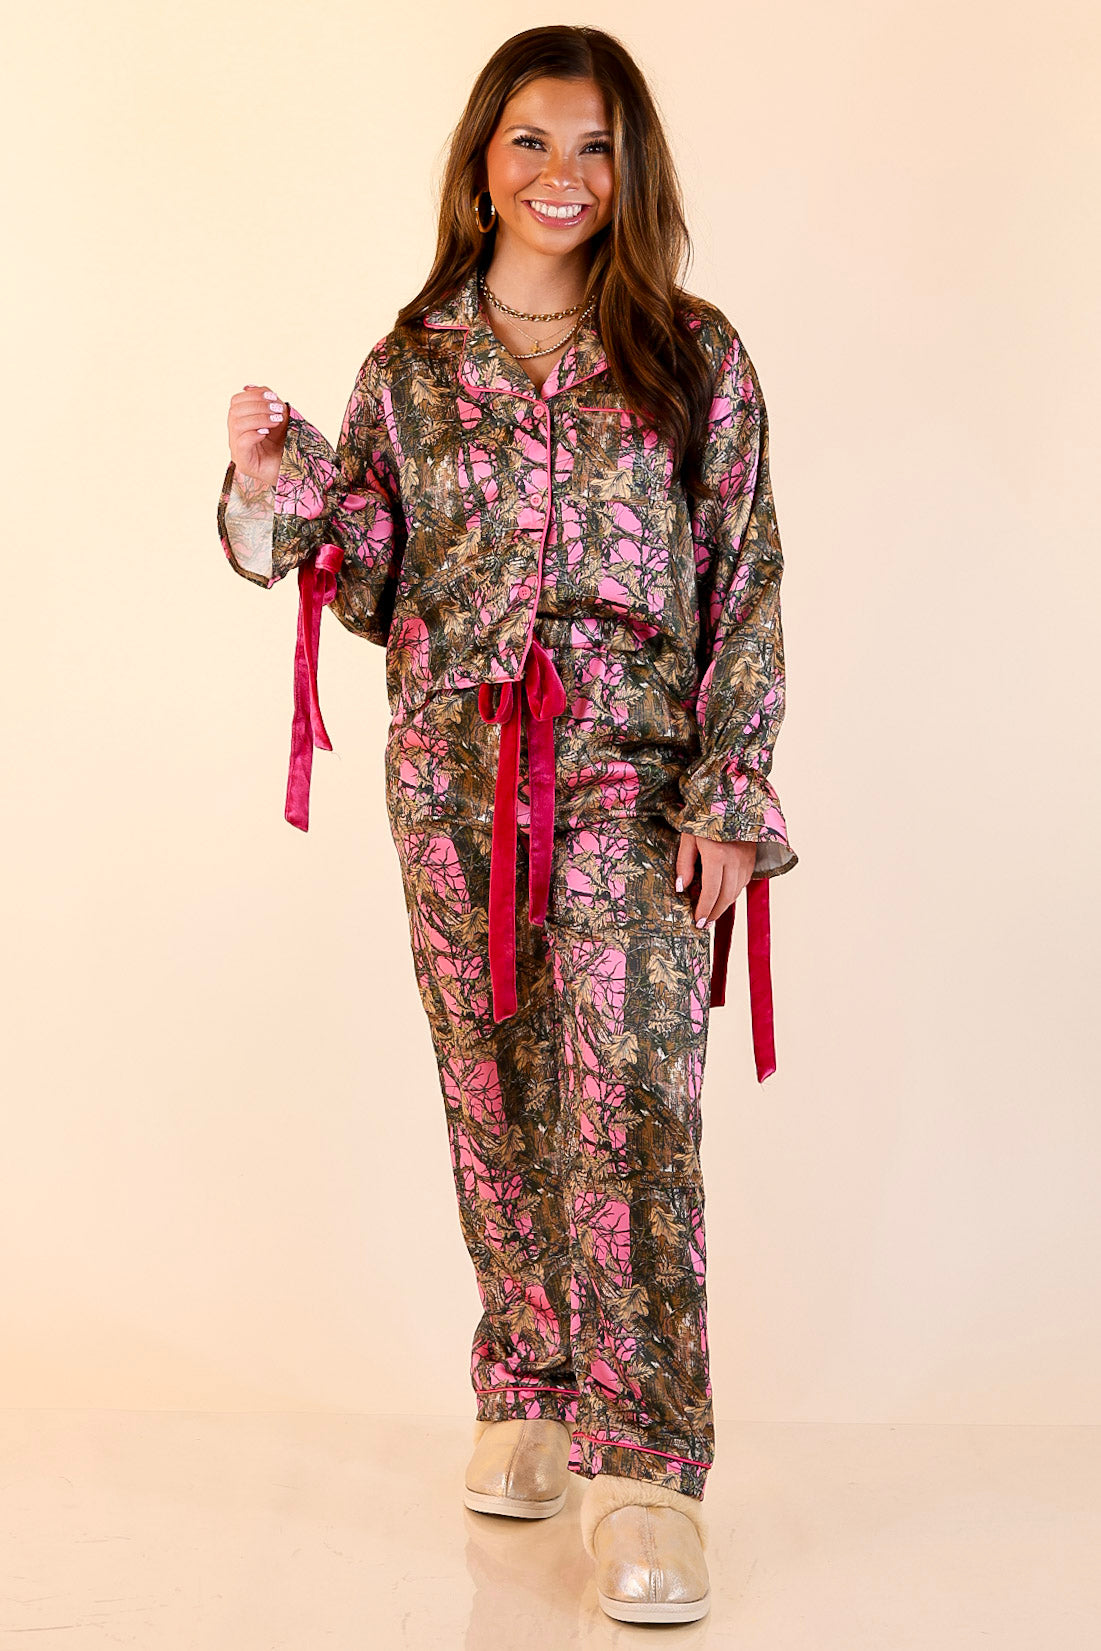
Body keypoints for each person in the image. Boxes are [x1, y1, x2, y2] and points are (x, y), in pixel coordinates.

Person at [217, 23, 798, 1626]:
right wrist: (269, 481)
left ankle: (647, 1469)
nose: (563, 172)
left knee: (629, 1103)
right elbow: (368, 575)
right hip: (449, 775)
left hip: (629, 766)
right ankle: (528, 1385)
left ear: (631, 172)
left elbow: (743, 572)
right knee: (491, 1091)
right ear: (482, 164)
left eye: (595, 144)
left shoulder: (692, 353)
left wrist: (731, 790)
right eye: (532, 139)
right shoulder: (410, 366)